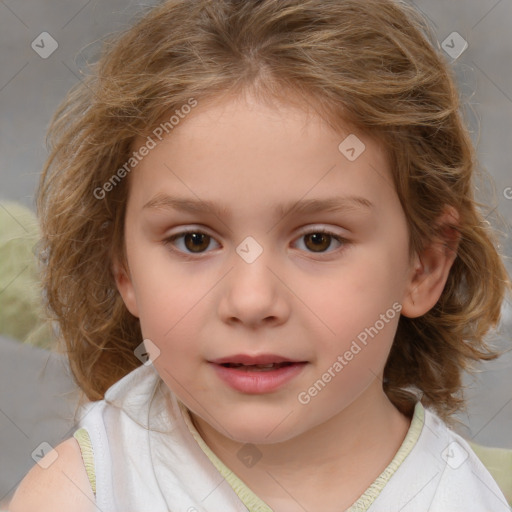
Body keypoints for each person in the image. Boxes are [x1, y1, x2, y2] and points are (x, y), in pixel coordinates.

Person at [9, 0, 511, 510]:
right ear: (124, 269)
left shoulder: (475, 493)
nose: (251, 301)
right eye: (195, 240)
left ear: (422, 267)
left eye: (318, 240)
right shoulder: (79, 494)